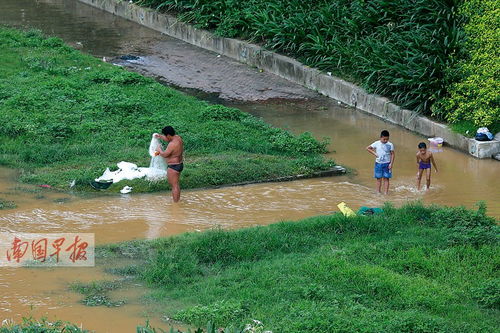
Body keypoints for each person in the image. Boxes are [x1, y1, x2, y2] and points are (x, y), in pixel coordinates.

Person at [155, 126, 184, 202]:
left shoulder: (172, 144)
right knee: (176, 185)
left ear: (168, 135)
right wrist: (160, 136)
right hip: (179, 164)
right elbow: (168, 139)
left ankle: (176, 204)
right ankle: (177, 201)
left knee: (174, 186)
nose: (165, 137)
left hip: (173, 166)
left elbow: (165, 154)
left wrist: (159, 150)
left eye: (165, 135)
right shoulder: (178, 138)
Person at [366, 130, 395, 195]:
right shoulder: (376, 143)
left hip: (387, 164)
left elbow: (392, 154)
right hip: (378, 164)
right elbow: (368, 148)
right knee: (378, 179)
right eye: (384, 139)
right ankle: (378, 192)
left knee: (386, 178)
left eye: (387, 139)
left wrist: (391, 164)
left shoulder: (390, 145)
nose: (385, 141)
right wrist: (375, 154)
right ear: (380, 137)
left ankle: (386, 193)